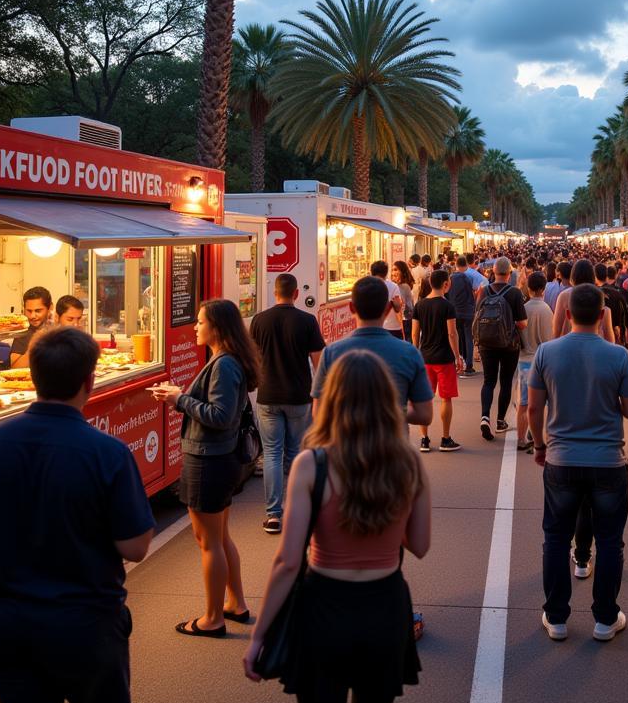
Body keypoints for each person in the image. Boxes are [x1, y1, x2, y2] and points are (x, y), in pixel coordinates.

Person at [0, 327, 155, 703]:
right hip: (89, 620)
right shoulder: (107, 452)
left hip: (9, 619)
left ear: (33, 378)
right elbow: (135, 547)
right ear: (89, 382)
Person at [245, 351, 431, 703]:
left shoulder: (312, 464)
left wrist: (259, 635)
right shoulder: (409, 465)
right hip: (385, 608)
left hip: (323, 610)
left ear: (332, 399)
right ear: (387, 401)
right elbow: (419, 545)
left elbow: (288, 560)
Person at [527, 284, 628, 642]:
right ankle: (606, 619)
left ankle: (557, 617)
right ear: (603, 315)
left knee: (556, 539)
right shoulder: (619, 356)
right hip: (609, 460)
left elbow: (534, 408)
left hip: (561, 459)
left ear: (568, 314)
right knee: (610, 541)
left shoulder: (546, 353)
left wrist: (540, 445)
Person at [150, 299, 259, 636]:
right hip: (220, 458)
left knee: (207, 541)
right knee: (220, 537)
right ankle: (235, 603)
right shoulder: (227, 360)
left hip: (208, 460)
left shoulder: (223, 364)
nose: (194, 327)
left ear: (217, 327)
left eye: (199, 322)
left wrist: (177, 399)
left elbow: (220, 416)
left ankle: (212, 618)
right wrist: (181, 395)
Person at [251, 273, 326, 535]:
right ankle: (296, 511)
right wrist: (321, 394)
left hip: (268, 395)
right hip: (298, 397)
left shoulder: (260, 320)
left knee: (271, 454)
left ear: (275, 293)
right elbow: (319, 361)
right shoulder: (307, 320)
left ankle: (273, 514)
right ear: (296, 294)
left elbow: (252, 358)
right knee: (294, 453)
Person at [311, 277, 433, 430]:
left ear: (351, 308)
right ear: (388, 309)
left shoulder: (331, 353)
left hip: (346, 449)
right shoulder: (409, 353)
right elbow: (425, 414)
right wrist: (391, 410)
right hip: (394, 448)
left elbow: (318, 412)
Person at [474, 258, 527, 442]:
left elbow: (478, 315)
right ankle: (500, 420)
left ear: (493, 272)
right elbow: (522, 323)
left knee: (488, 381)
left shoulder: (483, 291)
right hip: (508, 345)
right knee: (505, 381)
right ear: (510, 273)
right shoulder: (514, 293)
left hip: (486, 343)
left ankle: (485, 417)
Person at [412, 269, 464, 453]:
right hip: (444, 358)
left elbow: (415, 332)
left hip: (425, 357)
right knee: (446, 398)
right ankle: (445, 438)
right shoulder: (447, 306)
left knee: (425, 399)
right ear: (445, 284)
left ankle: (424, 439)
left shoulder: (420, 305)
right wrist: (457, 356)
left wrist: (416, 353)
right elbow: (452, 333)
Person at [516, 271, 554, 452]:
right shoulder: (547, 310)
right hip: (543, 360)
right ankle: (538, 435)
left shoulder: (524, 308)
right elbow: (550, 338)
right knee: (542, 403)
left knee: (523, 403)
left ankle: (521, 439)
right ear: (543, 289)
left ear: (528, 288)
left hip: (524, 359)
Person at [551, 260, 615, 342]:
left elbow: (556, 329)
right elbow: (609, 336)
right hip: (594, 347)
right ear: (593, 276)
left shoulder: (565, 295)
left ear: (573, 276)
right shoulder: (599, 295)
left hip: (569, 345)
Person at [447, 255, 480, 376]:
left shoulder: (450, 279)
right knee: (468, 338)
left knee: (458, 337)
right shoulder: (467, 278)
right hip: (467, 312)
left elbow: (447, 295)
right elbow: (471, 296)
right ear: (466, 265)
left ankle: (459, 362)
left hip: (454, 312)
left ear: (456, 265)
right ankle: (469, 366)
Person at [10, 286, 53, 367]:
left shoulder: (58, 330)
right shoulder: (23, 331)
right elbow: (15, 368)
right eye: (29, 311)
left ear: (50, 308)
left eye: (38, 311)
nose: (32, 316)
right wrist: (33, 347)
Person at [371, 260, 404, 339]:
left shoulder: (368, 286)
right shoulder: (393, 286)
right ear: (386, 272)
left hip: (375, 327)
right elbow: (398, 307)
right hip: (392, 327)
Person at [391, 261, 416, 346]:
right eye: (392, 270)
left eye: (396, 270)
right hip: (407, 319)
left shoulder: (403, 286)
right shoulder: (402, 286)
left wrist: (400, 325)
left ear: (402, 271)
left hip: (404, 321)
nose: (393, 272)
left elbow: (401, 307)